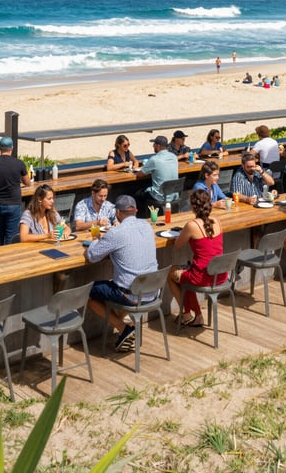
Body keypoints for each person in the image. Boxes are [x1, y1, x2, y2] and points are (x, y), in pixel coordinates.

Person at [85, 195, 158, 351]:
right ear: (136, 210)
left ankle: (123, 328)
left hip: (131, 295)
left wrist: (95, 240)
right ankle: (123, 328)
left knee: (88, 293)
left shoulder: (116, 233)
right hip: (153, 292)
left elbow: (92, 256)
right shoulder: (147, 225)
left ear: (118, 212)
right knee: (120, 283)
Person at [167, 189, 224, 327]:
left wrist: (181, 234)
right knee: (187, 274)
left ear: (193, 206)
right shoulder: (217, 221)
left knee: (171, 274)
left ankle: (186, 314)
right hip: (220, 274)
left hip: (202, 276)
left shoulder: (192, 225)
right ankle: (196, 316)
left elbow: (178, 245)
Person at [0, 136, 30, 246]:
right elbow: (27, 183)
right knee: (11, 235)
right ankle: (9, 259)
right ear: (12, 148)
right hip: (13, 204)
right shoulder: (19, 163)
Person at [139, 135, 179, 205]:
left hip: (161, 197)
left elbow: (140, 174)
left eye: (154, 144)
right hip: (174, 195)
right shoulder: (174, 157)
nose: (153, 146)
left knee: (138, 193)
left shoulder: (154, 159)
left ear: (158, 146)